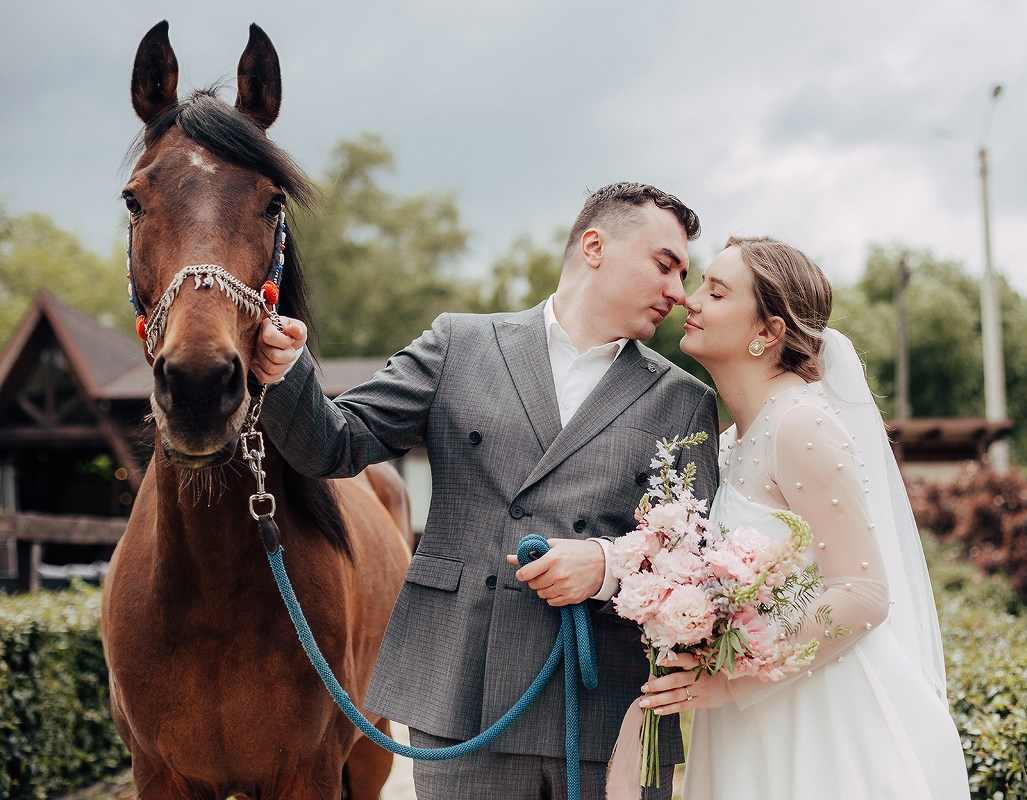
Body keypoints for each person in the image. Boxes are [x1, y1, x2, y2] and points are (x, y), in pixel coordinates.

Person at [250, 182, 719, 799]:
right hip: (460, 689)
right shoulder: (458, 345)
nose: (677, 293)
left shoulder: (686, 401)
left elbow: (700, 560)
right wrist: (287, 373)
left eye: (683, 274)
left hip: (609, 702)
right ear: (595, 246)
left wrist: (605, 565)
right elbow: (336, 444)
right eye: (665, 265)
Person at [637, 236, 970, 798]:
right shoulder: (729, 442)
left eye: (715, 292)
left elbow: (864, 592)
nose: (691, 301)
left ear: (766, 333)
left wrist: (731, 672)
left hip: (824, 717)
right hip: (750, 717)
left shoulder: (800, 426)